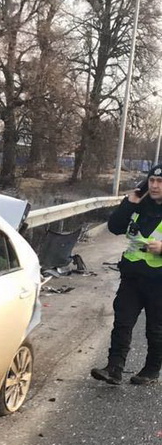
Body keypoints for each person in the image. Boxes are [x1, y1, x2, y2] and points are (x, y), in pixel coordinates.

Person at [91, 165, 162, 385]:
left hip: (158, 281)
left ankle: (151, 371)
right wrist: (129, 202)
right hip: (132, 276)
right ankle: (114, 368)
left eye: (160, 182)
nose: (155, 186)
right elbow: (114, 227)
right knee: (122, 322)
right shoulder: (139, 206)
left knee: (155, 328)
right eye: (151, 181)